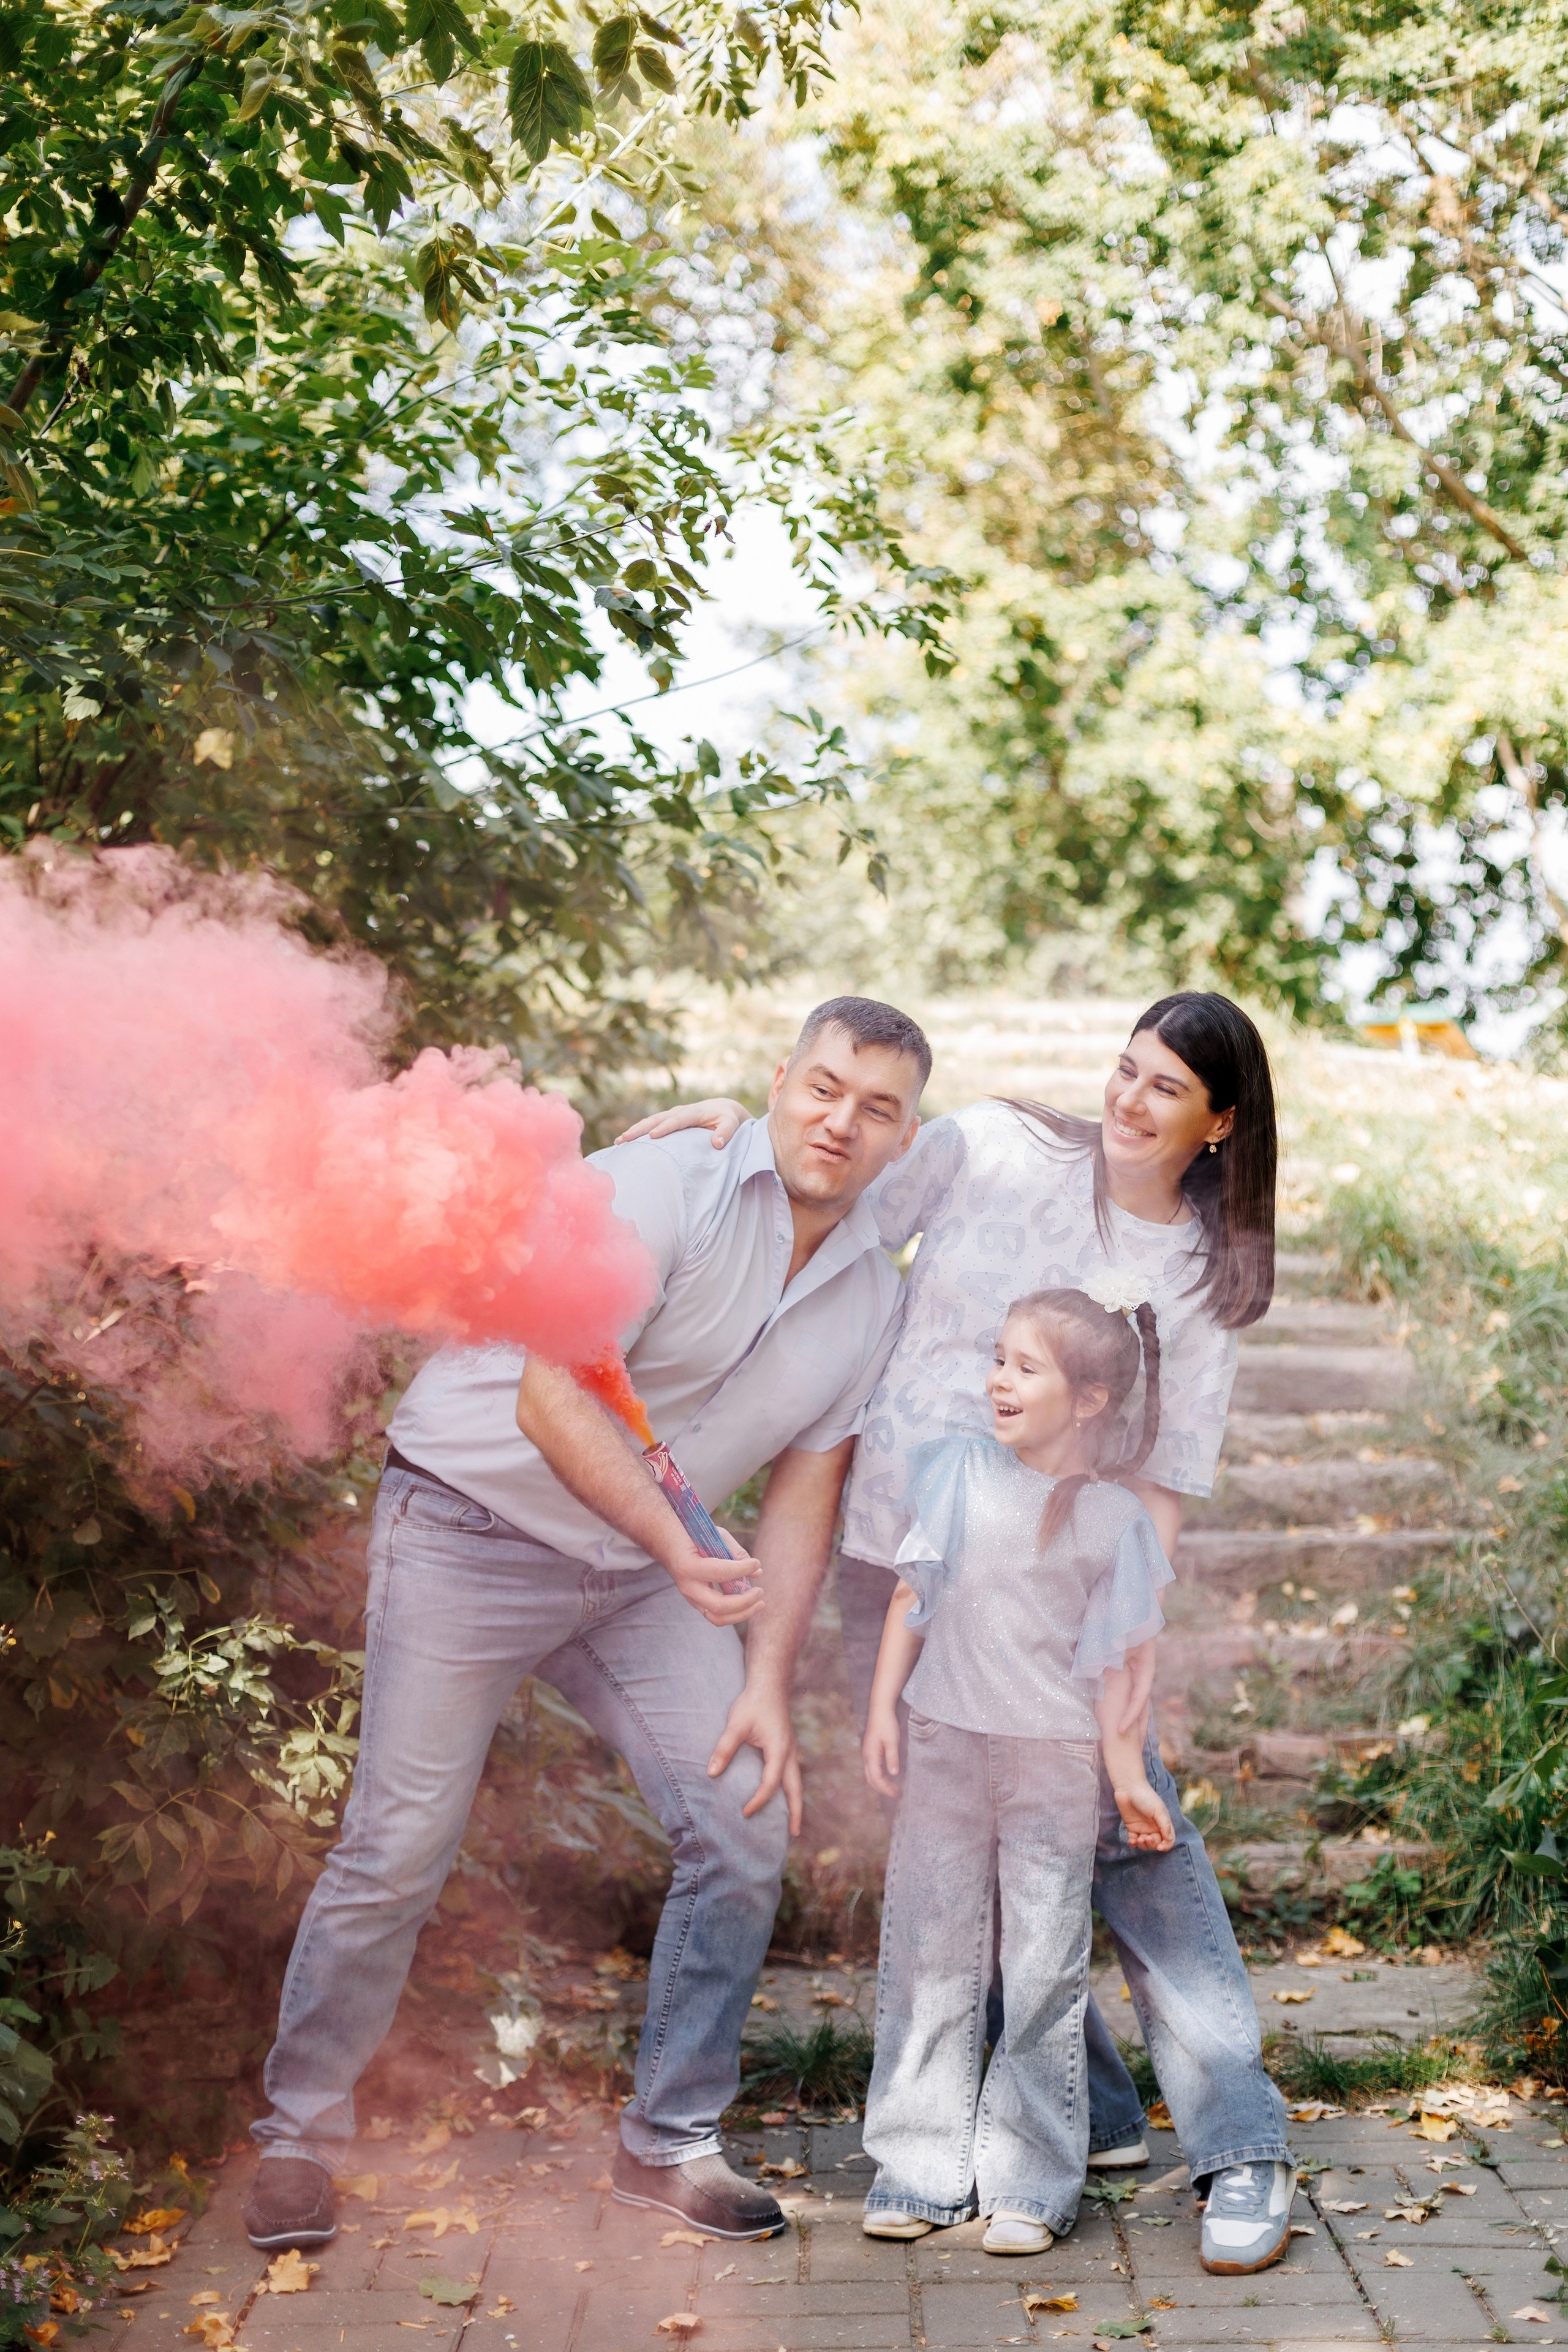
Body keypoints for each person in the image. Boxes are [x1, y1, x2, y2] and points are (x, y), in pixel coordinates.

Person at [618, 991, 1297, 2277]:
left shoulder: (1198, 1281)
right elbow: (832, 1194)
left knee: (1136, 1840)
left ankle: (1239, 2144)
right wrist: (728, 1126)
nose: (1125, 1099)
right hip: (900, 1548)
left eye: (1163, 1088)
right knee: (966, 1851)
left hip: (1060, 1592)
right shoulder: (988, 1145)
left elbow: (1160, 1478)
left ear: (1218, 1124)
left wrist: (1124, 1636)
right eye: (1123, 1069)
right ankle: (1090, 2116)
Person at [244, 996, 930, 2253]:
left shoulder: (867, 1297)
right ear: (779, 1080)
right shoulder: (664, 1183)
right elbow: (552, 1403)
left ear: (903, 1136)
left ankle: (666, 2144)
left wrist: (766, 1679)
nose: (842, 1120)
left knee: (740, 1824)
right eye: (823, 1086)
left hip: (633, 1575)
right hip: (468, 1526)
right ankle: (298, 2134)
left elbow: (802, 1493)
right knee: (398, 1843)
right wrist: (677, 1544)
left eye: (876, 1106)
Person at [859, 1286, 1174, 2255]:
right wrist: (881, 1709)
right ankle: (917, 2170)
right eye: (998, 1359)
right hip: (946, 1744)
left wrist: (1126, 1774)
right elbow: (913, 1597)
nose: (998, 1379)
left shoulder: (1113, 1518)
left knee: (1040, 1971)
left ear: (1086, 1401)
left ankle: (1034, 2179)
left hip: (1051, 1766)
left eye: (1024, 1367)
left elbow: (1121, 1665)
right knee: (930, 1953)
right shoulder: (956, 1472)